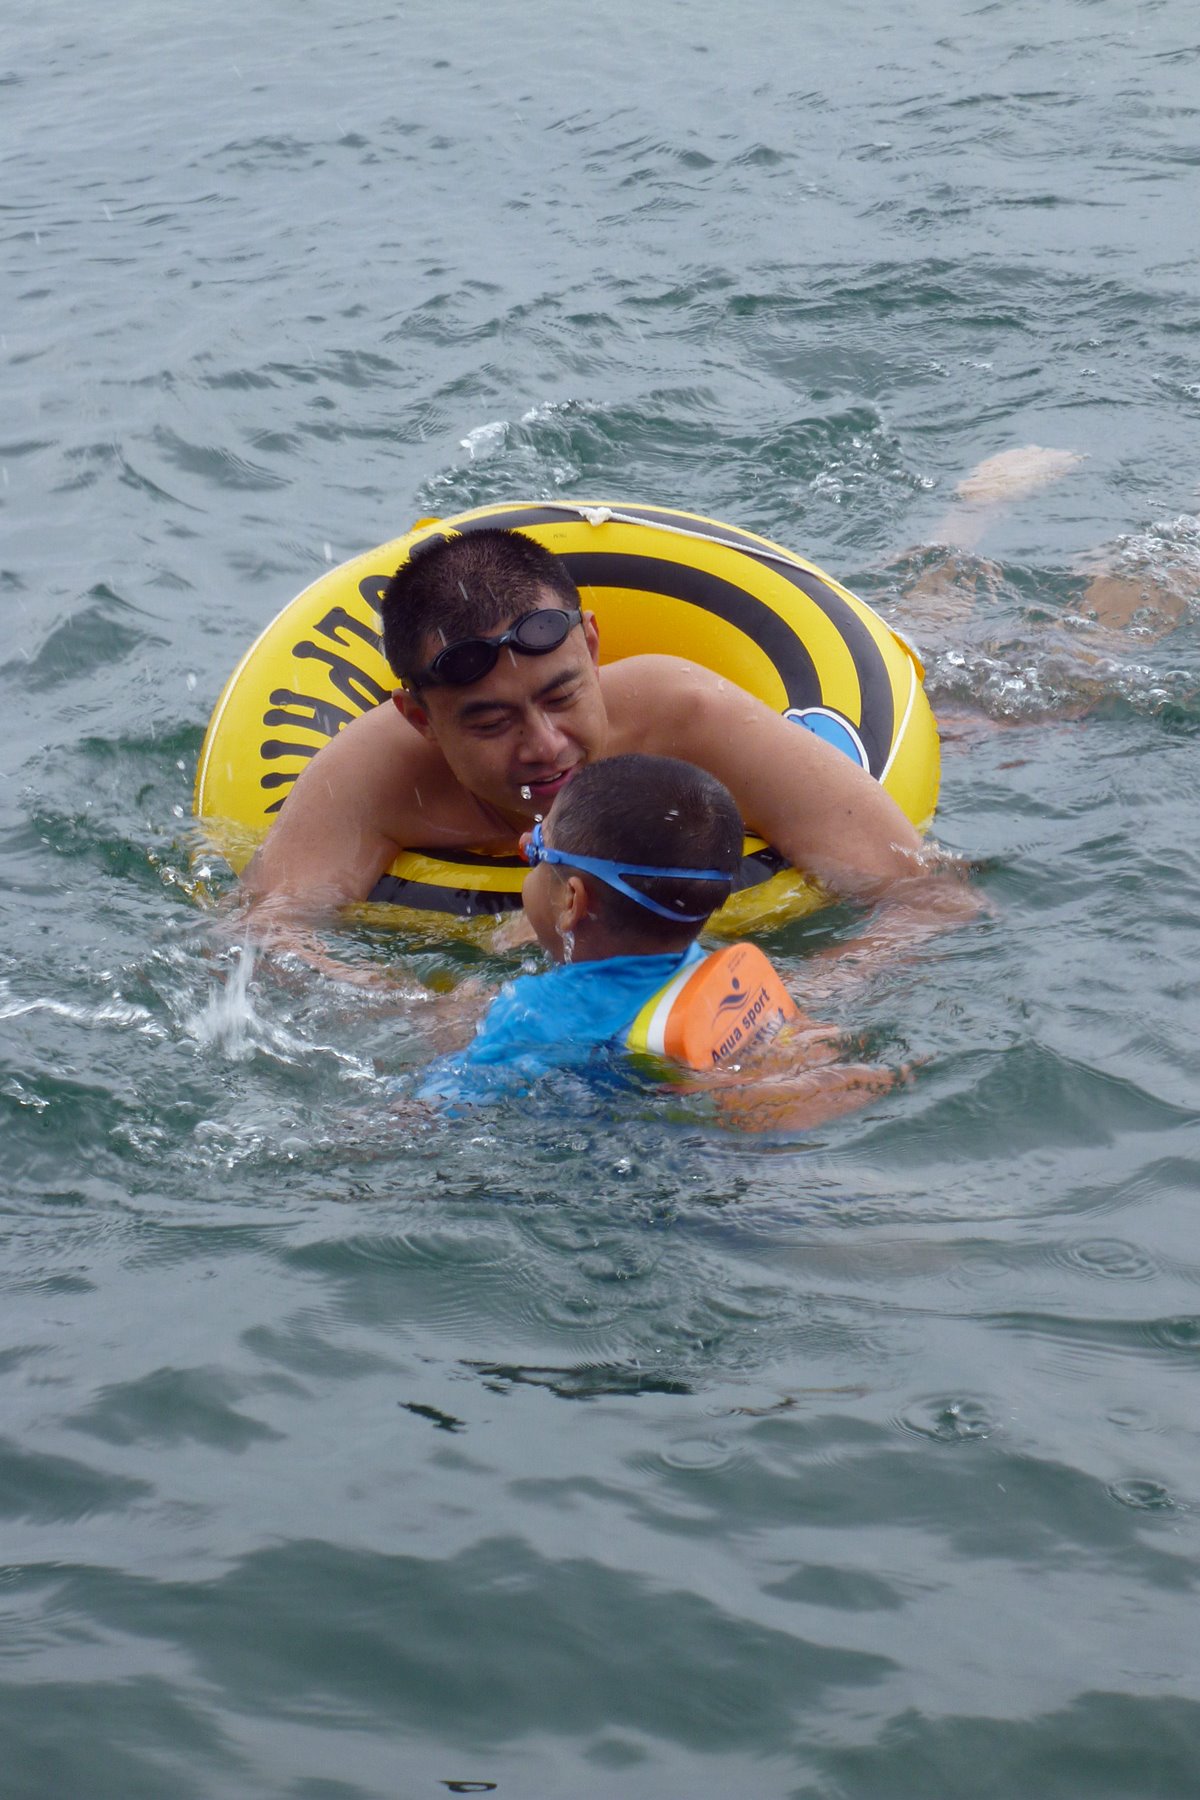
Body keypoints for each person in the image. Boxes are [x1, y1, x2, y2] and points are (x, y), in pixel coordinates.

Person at [240, 527, 947, 946]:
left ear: (594, 646)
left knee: (961, 676)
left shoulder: (690, 718)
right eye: (491, 722)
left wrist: (774, 1011)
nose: (545, 745)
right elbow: (265, 938)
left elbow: (925, 897)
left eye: (562, 696)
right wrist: (434, 1015)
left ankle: (962, 536)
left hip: (928, 694)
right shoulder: (373, 777)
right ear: (420, 719)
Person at [414, 754, 901, 1129]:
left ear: (571, 901)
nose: (526, 847)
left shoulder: (529, 1012)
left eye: (538, 847)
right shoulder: (713, 974)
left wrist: (445, 1040)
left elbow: (445, 1107)